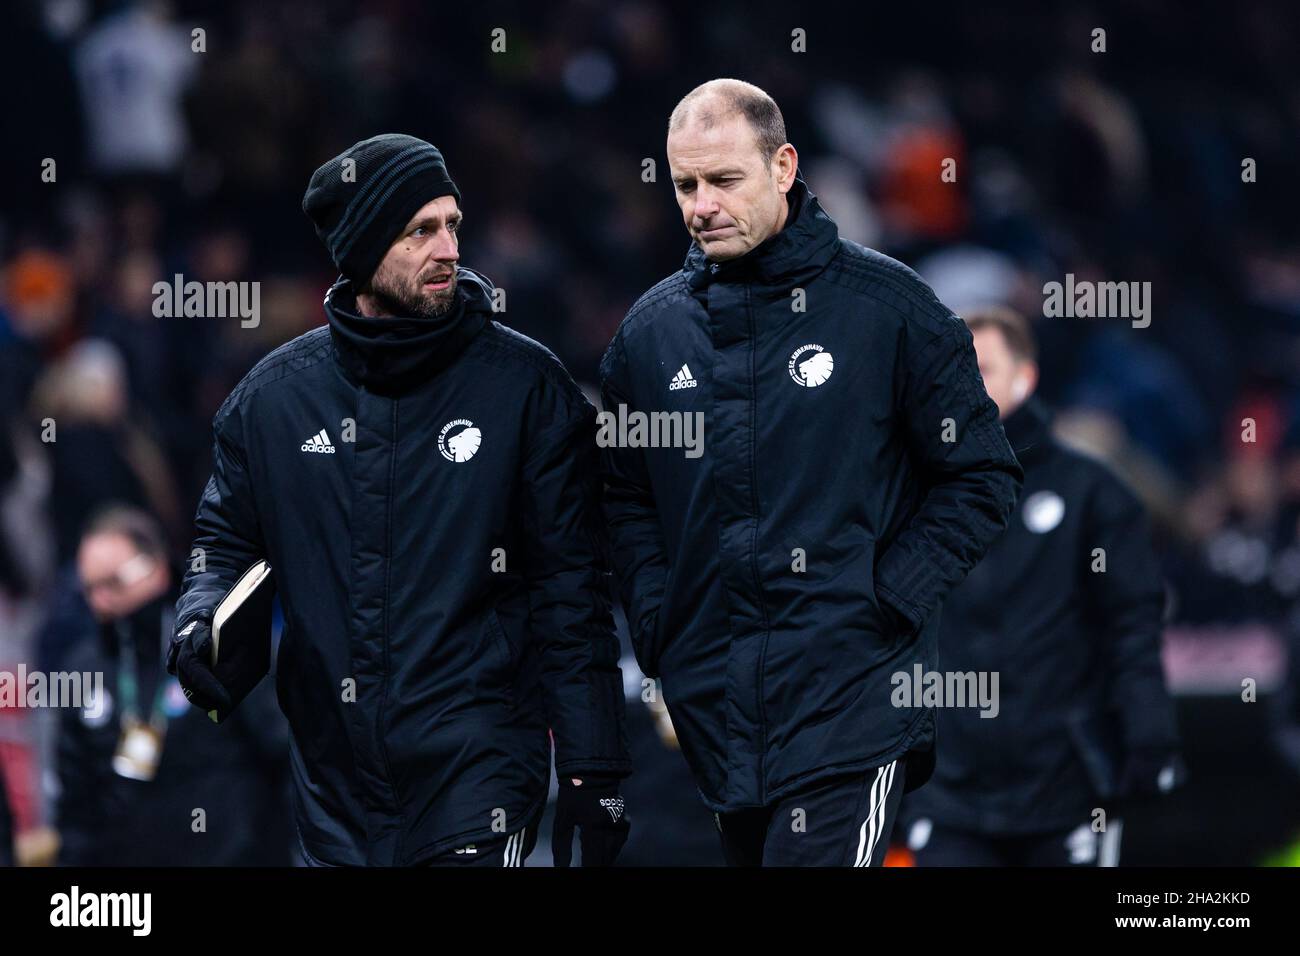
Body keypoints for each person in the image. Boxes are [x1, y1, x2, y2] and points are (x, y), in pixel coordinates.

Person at [168, 134, 631, 867]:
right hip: (330, 786)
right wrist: (201, 618)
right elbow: (222, 545)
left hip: (478, 770)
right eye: (421, 231)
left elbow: (572, 594)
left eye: (452, 224)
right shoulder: (271, 403)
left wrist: (592, 766)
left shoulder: (526, 389)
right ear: (358, 248)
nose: (449, 248)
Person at [599, 80, 1022, 867]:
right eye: (685, 184)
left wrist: (884, 598)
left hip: (851, 703)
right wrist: (661, 622)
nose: (700, 205)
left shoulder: (891, 309)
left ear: (784, 166)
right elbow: (626, 498)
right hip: (717, 710)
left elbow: (982, 475)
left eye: (724, 180)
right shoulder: (649, 336)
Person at [903, 306, 1184, 866]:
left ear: (1025, 379)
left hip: (1067, 786)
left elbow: (1131, 625)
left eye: (981, 367)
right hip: (948, 792)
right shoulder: (910, 492)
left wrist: (1147, 729)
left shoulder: (1094, 494)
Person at [57, 506, 291, 865]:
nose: (99, 601)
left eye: (113, 582)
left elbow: (285, 754)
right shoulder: (83, 668)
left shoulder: (220, 641)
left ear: (155, 567)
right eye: (89, 588)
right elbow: (75, 806)